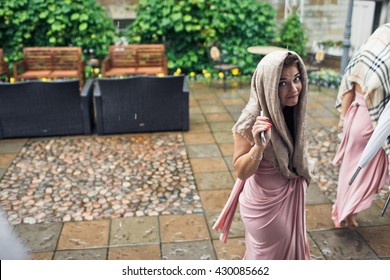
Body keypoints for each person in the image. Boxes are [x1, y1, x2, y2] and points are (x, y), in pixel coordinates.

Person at [214, 50, 312, 260]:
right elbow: (241, 171)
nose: (294, 88)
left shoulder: (294, 109)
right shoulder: (251, 118)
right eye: (282, 83)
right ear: (268, 84)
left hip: (290, 199)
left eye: (296, 79)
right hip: (266, 210)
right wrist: (258, 148)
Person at [332, 23, 390, 228]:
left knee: (349, 170)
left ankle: (345, 212)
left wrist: (343, 118)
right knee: (371, 170)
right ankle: (346, 211)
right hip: (373, 124)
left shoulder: (362, 58)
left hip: (354, 118)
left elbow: (347, 85)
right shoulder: (387, 63)